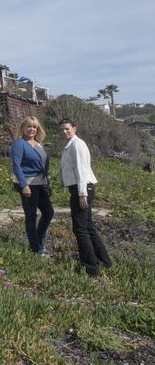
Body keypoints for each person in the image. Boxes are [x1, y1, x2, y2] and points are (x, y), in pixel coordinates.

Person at [58, 118, 112, 277]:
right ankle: (104, 261)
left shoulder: (77, 144)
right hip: (79, 188)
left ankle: (90, 268)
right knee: (87, 226)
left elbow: (81, 170)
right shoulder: (69, 146)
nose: (64, 132)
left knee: (80, 228)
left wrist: (82, 194)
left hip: (82, 188)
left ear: (74, 128)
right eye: (61, 130)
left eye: (67, 128)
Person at [10, 116, 55, 255]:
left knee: (48, 212)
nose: (32, 129)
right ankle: (36, 249)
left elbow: (43, 166)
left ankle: (38, 242)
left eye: (34, 127)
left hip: (40, 183)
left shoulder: (39, 143)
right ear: (23, 128)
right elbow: (16, 165)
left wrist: (47, 182)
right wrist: (24, 185)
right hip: (27, 183)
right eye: (29, 126)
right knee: (31, 216)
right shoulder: (19, 143)